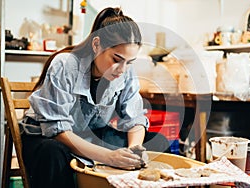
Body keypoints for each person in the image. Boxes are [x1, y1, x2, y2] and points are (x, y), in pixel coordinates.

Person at [21, 7, 170, 188]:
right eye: (116, 59)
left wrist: (134, 151)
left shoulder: (126, 71)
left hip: (89, 137)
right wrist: (108, 156)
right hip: (49, 138)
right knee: (52, 152)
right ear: (96, 44)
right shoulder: (66, 64)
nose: (122, 69)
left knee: (158, 141)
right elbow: (57, 130)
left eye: (129, 62)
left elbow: (135, 119)